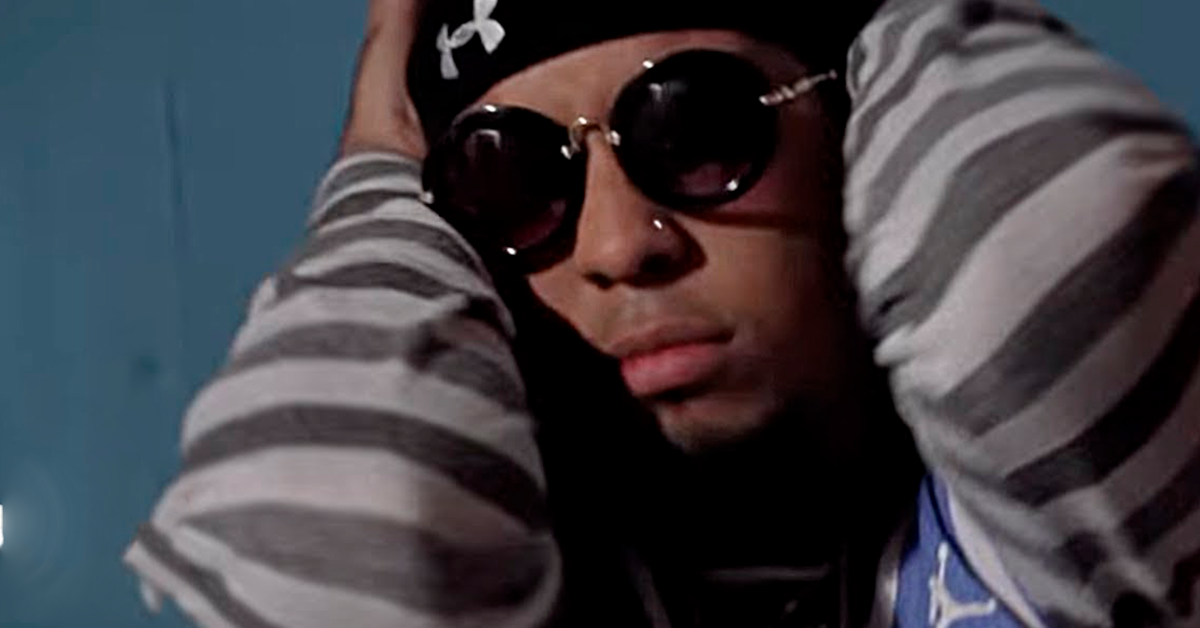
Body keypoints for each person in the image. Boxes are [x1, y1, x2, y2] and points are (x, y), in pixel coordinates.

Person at [124, 0, 1200, 627]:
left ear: (856, 128)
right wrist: (376, 166)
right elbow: (338, 538)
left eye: (695, 128)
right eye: (508, 179)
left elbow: (1042, 248)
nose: (617, 245)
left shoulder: (1082, 546)